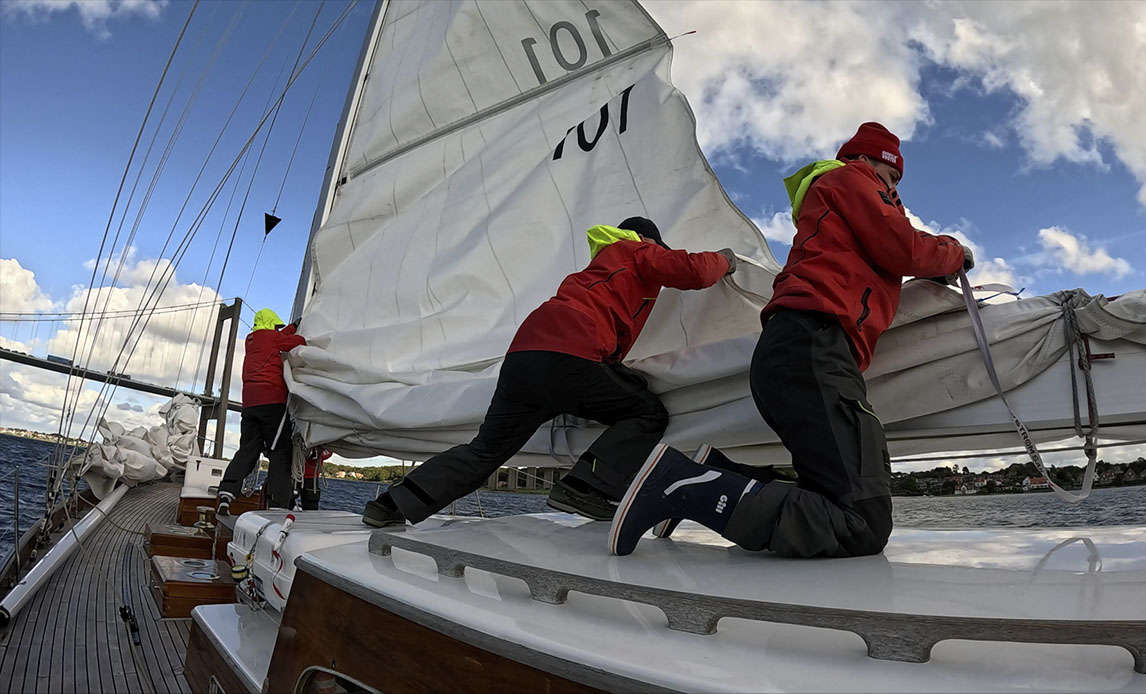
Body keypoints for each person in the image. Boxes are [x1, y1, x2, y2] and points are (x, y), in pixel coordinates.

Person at [609, 123, 973, 558]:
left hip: (800, 349)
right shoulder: (852, 178)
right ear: (872, 162)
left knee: (836, 492)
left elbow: (888, 248)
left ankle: (710, 473)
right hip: (816, 345)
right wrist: (955, 252)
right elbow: (903, 246)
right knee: (862, 522)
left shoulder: (835, 203)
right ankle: (679, 484)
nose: (894, 190)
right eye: (892, 179)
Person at [362, 217, 735, 527]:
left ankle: (391, 506)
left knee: (485, 452)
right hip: (569, 357)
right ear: (647, 239)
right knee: (646, 412)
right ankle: (586, 488)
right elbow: (692, 271)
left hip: (524, 358)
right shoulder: (636, 249)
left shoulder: (591, 271)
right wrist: (726, 260)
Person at [217, 308, 306, 514]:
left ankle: (226, 493)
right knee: (280, 452)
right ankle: (278, 504)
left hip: (249, 405)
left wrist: (290, 327)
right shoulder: (272, 339)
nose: (278, 329)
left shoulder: (252, 340)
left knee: (248, 450)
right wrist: (298, 330)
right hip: (272, 402)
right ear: (270, 325)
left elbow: (278, 338)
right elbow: (298, 342)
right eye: (276, 326)